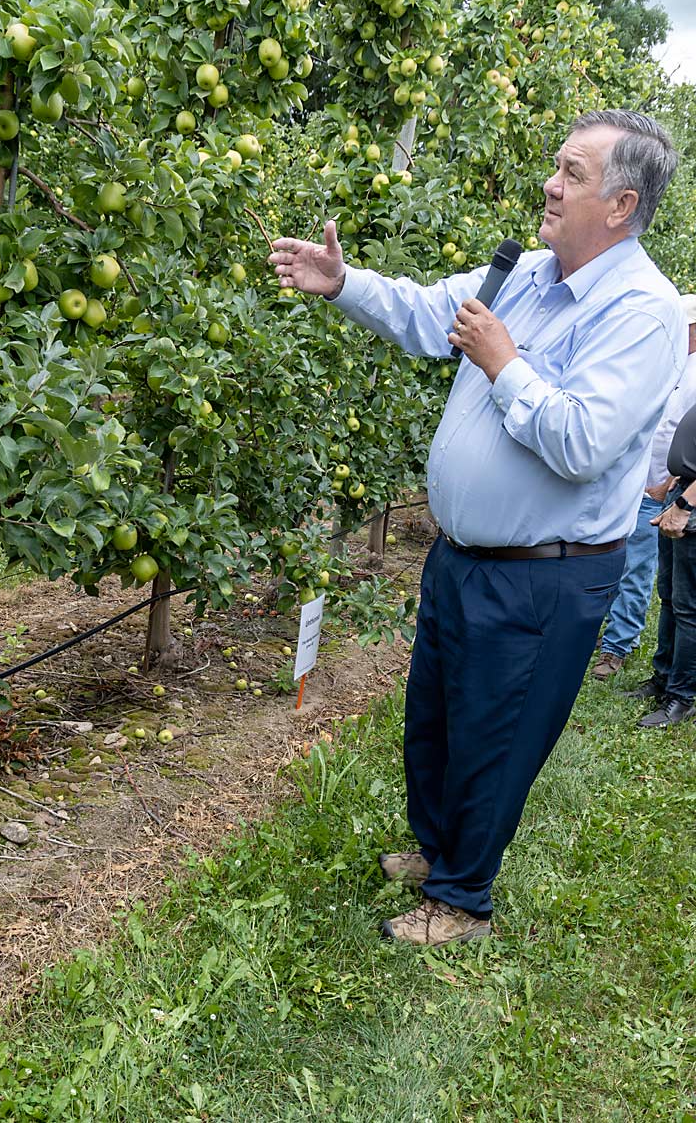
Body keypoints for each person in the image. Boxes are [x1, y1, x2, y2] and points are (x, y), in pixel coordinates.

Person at [269, 109, 684, 946]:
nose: (550, 183)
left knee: (498, 731)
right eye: (556, 167)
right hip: (463, 556)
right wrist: (344, 283)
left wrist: (505, 363)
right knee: (437, 717)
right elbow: (431, 313)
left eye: (571, 173)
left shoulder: (644, 312)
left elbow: (582, 443)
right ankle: (437, 851)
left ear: (619, 203)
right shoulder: (526, 273)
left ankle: (462, 901)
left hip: (546, 570)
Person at [592, 294, 696, 680]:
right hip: (625, 484)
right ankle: (598, 634)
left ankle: (617, 645)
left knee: (637, 569)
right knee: (605, 559)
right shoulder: (661, 362)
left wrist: (670, 485)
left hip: (659, 489)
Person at [621, 401, 696, 727]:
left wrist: (684, 503)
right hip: (680, 491)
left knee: (689, 608)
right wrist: (673, 484)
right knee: (668, 596)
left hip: (689, 505)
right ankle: (663, 678)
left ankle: (681, 697)